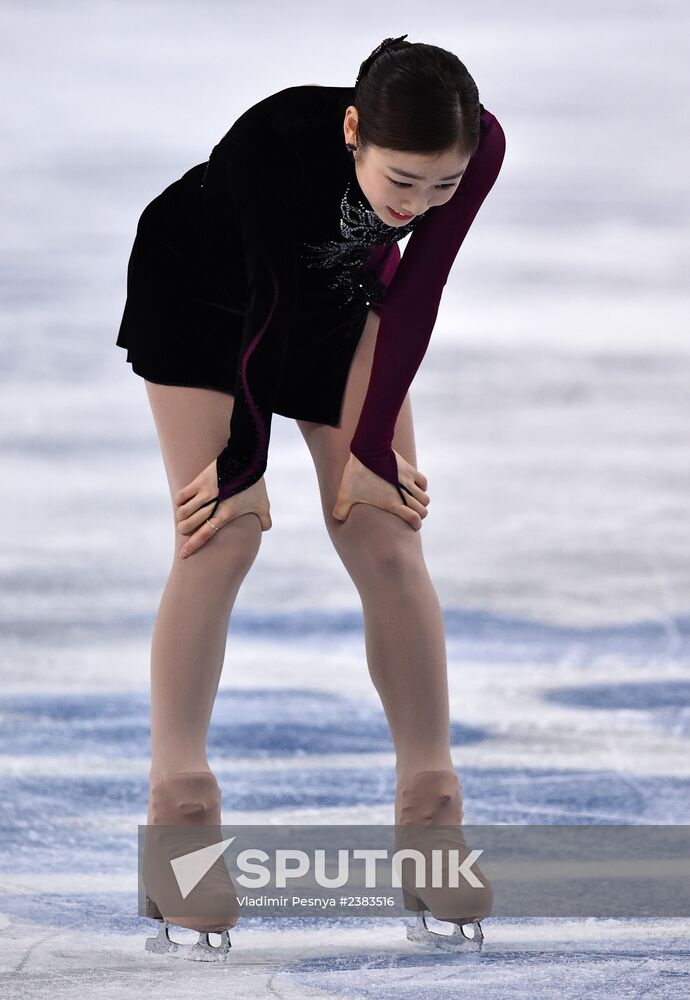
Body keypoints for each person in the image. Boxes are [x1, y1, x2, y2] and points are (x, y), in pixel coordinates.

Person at [117, 35, 506, 959]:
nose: (418, 205)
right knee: (223, 535)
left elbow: (419, 288)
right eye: (401, 182)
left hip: (336, 300)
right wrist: (243, 468)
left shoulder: (473, 145)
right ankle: (179, 816)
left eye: (441, 187)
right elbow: (264, 312)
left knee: (382, 528)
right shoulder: (274, 145)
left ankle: (430, 812)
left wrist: (370, 449)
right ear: (351, 131)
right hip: (205, 297)